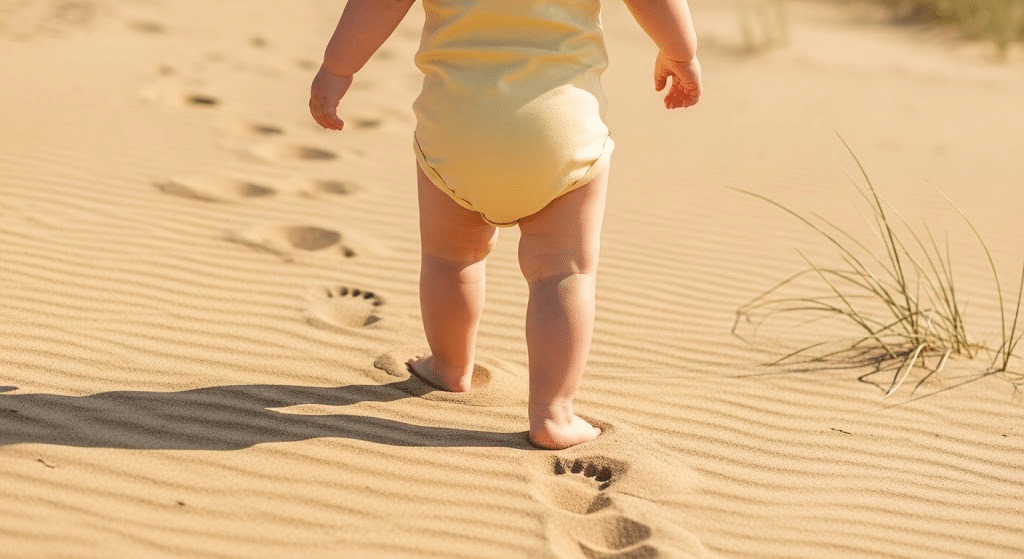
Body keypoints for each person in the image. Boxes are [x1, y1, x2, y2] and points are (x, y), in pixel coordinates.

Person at [309, 0, 701, 450]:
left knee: (450, 257)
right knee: (562, 273)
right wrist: (680, 54)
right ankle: (553, 414)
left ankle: (450, 367)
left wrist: (336, 69)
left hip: (457, 126)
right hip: (559, 127)